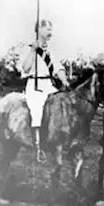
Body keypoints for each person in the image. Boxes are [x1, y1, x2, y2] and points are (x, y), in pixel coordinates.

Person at [21, 19, 70, 162]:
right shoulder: (30, 48)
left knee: (63, 104)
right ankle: (38, 147)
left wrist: (64, 80)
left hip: (48, 84)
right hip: (34, 84)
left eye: (51, 29)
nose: (50, 32)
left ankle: (60, 139)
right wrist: (32, 50)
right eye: (47, 29)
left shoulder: (52, 51)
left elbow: (58, 68)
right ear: (38, 30)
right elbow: (25, 68)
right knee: (37, 109)